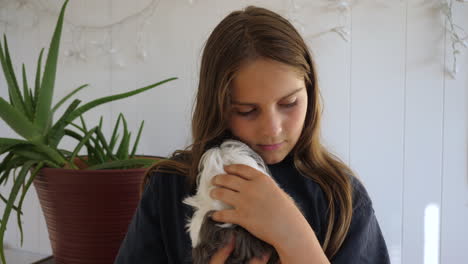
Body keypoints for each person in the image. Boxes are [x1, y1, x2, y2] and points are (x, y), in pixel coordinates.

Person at [114, 5, 390, 264]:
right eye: (246, 111)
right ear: (218, 107)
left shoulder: (340, 195)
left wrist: (293, 235)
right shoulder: (170, 187)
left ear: (310, 91)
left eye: (289, 104)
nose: (272, 129)